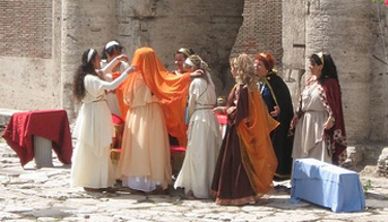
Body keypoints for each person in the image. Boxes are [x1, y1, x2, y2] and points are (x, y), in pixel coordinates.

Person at [117, 47, 201, 193]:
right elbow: (169, 84)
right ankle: (152, 181)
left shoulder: (132, 77)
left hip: (135, 116)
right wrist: (189, 76)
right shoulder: (152, 77)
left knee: (140, 148)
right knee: (152, 146)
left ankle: (138, 181)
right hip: (151, 115)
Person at [211, 53, 279, 205]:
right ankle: (247, 192)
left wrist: (224, 110)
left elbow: (241, 112)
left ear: (239, 69)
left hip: (238, 131)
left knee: (238, 162)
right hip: (238, 129)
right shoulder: (249, 87)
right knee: (242, 162)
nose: (232, 71)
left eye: (234, 68)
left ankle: (238, 193)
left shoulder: (242, 88)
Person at [71, 48, 135, 191]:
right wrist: (127, 73)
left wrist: (117, 60)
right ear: (93, 61)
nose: (100, 61)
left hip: (94, 111)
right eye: (98, 59)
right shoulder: (91, 79)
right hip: (95, 114)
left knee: (101, 147)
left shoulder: (89, 75)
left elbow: (105, 70)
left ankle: (101, 181)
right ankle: (93, 182)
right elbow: (111, 85)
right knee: (95, 147)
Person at [174, 55, 222, 198]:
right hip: (210, 117)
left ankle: (198, 188)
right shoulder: (209, 82)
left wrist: (188, 118)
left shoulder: (196, 83)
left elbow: (192, 104)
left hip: (200, 117)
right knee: (210, 152)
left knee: (198, 154)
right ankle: (209, 186)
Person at [291, 53, 347, 164]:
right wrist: (297, 116)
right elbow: (302, 102)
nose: (309, 66)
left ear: (320, 66)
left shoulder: (330, 84)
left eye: (312, 64)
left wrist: (331, 119)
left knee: (318, 157)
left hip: (319, 123)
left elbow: (334, 106)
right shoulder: (310, 81)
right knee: (302, 157)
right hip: (305, 124)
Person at [255, 52, 294, 180]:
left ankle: (277, 173)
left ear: (267, 67)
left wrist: (280, 110)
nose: (256, 67)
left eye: (259, 65)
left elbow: (285, 102)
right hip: (264, 122)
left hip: (276, 123)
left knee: (275, 147)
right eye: (255, 64)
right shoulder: (261, 82)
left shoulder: (276, 82)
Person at [100, 40, 130, 119]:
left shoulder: (124, 66)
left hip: (120, 99)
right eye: (113, 55)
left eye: (118, 54)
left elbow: (129, 82)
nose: (115, 57)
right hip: (106, 99)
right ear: (107, 54)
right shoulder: (102, 65)